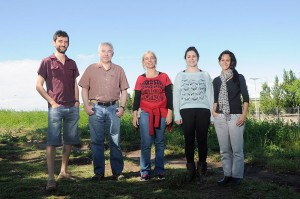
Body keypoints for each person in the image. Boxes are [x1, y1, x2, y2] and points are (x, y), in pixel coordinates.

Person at [36, 30, 80, 191]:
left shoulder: (72, 63)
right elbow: (38, 85)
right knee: (53, 142)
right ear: (54, 42)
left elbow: (75, 84)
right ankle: (50, 178)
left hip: (72, 107)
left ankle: (63, 171)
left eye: (66, 42)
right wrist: (52, 102)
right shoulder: (47, 61)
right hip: (56, 108)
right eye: (60, 41)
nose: (63, 44)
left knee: (69, 141)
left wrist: (77, 101)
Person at [78, 42, 129, 181]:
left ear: (113, 53)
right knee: (96, 142)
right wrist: (86, 105)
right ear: (98, 53)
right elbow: (84, 88)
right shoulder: (91, 68)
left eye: (109, 51)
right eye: (103, 51)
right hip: (96, 108)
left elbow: (124, 90)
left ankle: (117, 172)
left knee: (115, 140)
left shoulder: (119, 69)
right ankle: (99, 173)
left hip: (114, 108)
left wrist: (122, 107)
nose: (106, 53)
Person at [173, 46, 213, 183]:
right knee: (188, 140)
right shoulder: (180, 75)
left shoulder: (205, 75)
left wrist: (212, 115)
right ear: (185, 59)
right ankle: (190, 170)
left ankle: (202, 170)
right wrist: (177, 115)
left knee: (202, 140)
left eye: (194, 56)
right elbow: (176, 95)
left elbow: (210, 95)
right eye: (188, 56)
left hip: (203, 110)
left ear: (198, 58)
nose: (191, 59)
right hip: (186, 111)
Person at [132, 51, 173, 181]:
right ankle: (145, 172)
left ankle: (160, 171)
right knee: (146, 143)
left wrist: (170, 113)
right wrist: (134, 116)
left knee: (160, 143)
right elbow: (137, 99)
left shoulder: (164, 76)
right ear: (143, 62)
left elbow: (169, 97)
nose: (149, 60)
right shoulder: (140, 78)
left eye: (152, 58)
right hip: (145, 114)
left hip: (161, 113)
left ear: (156, 60)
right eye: (146, 59)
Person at [212, 50, 249, 186]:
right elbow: (215, 99)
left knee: (237, 149)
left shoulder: (239, 77)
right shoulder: (216, 80)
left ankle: (237, 176)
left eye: (227, 60)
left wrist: (244, 115)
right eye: (222, 60)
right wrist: (214, 112)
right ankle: (227, 175)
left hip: (235, 117)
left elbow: (246, 98)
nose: (225, 62)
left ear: (231, 62)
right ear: (219, 61)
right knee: (224, 149)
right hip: (220, 117)